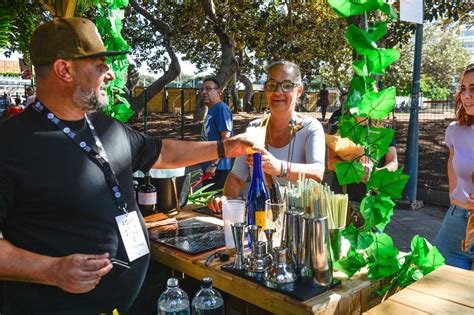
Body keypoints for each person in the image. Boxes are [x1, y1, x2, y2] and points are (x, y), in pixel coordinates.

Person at [0, 17, 254, 314]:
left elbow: (164, 152)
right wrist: (52, 270)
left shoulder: (107, 128)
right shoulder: (10, 144)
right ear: (64, 69)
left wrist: (228, 146)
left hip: (129, 302)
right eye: (99, 64)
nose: (109, 74)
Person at [208, 60, 325, 212]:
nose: (278, 92)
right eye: (272, 85)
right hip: (260, 218)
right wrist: (227, 201)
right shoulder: (255, 128)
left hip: (298, 222)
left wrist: (279, 167)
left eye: (287, 85)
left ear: (299, 90)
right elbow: (237, 178)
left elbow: (317, 173)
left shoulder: (310, 127)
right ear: (265, 89)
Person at [435, 63, 474, 270]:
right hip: (456, 223)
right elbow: (452, 160)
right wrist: (453, 195)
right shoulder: (455, 131)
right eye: (464, 88)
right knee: (437, 290)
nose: (466, 95)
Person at [200, 77, 234, 190]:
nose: (204, 92)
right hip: (209, 165)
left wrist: (213, 165)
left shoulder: (221, 109)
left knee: (214, 205)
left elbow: (226, 139)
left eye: (208, 89)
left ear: (218, 92)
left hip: (219, 168)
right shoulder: (212, 109)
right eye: (202, 89)